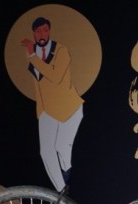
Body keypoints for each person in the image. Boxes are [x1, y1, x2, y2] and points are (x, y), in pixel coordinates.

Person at [21, 16, 84, 191]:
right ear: (34, 33)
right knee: (46, 151)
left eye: (45, 30)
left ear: (49, 32)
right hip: (46, 109)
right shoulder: (31, 52)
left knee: (62, 147)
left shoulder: (61, 50)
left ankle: (67, 170)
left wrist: (32, 55)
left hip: (68, 108)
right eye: (38, 31)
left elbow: (55, 76)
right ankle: (61, 190)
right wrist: (32, 54)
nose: (42, 34)